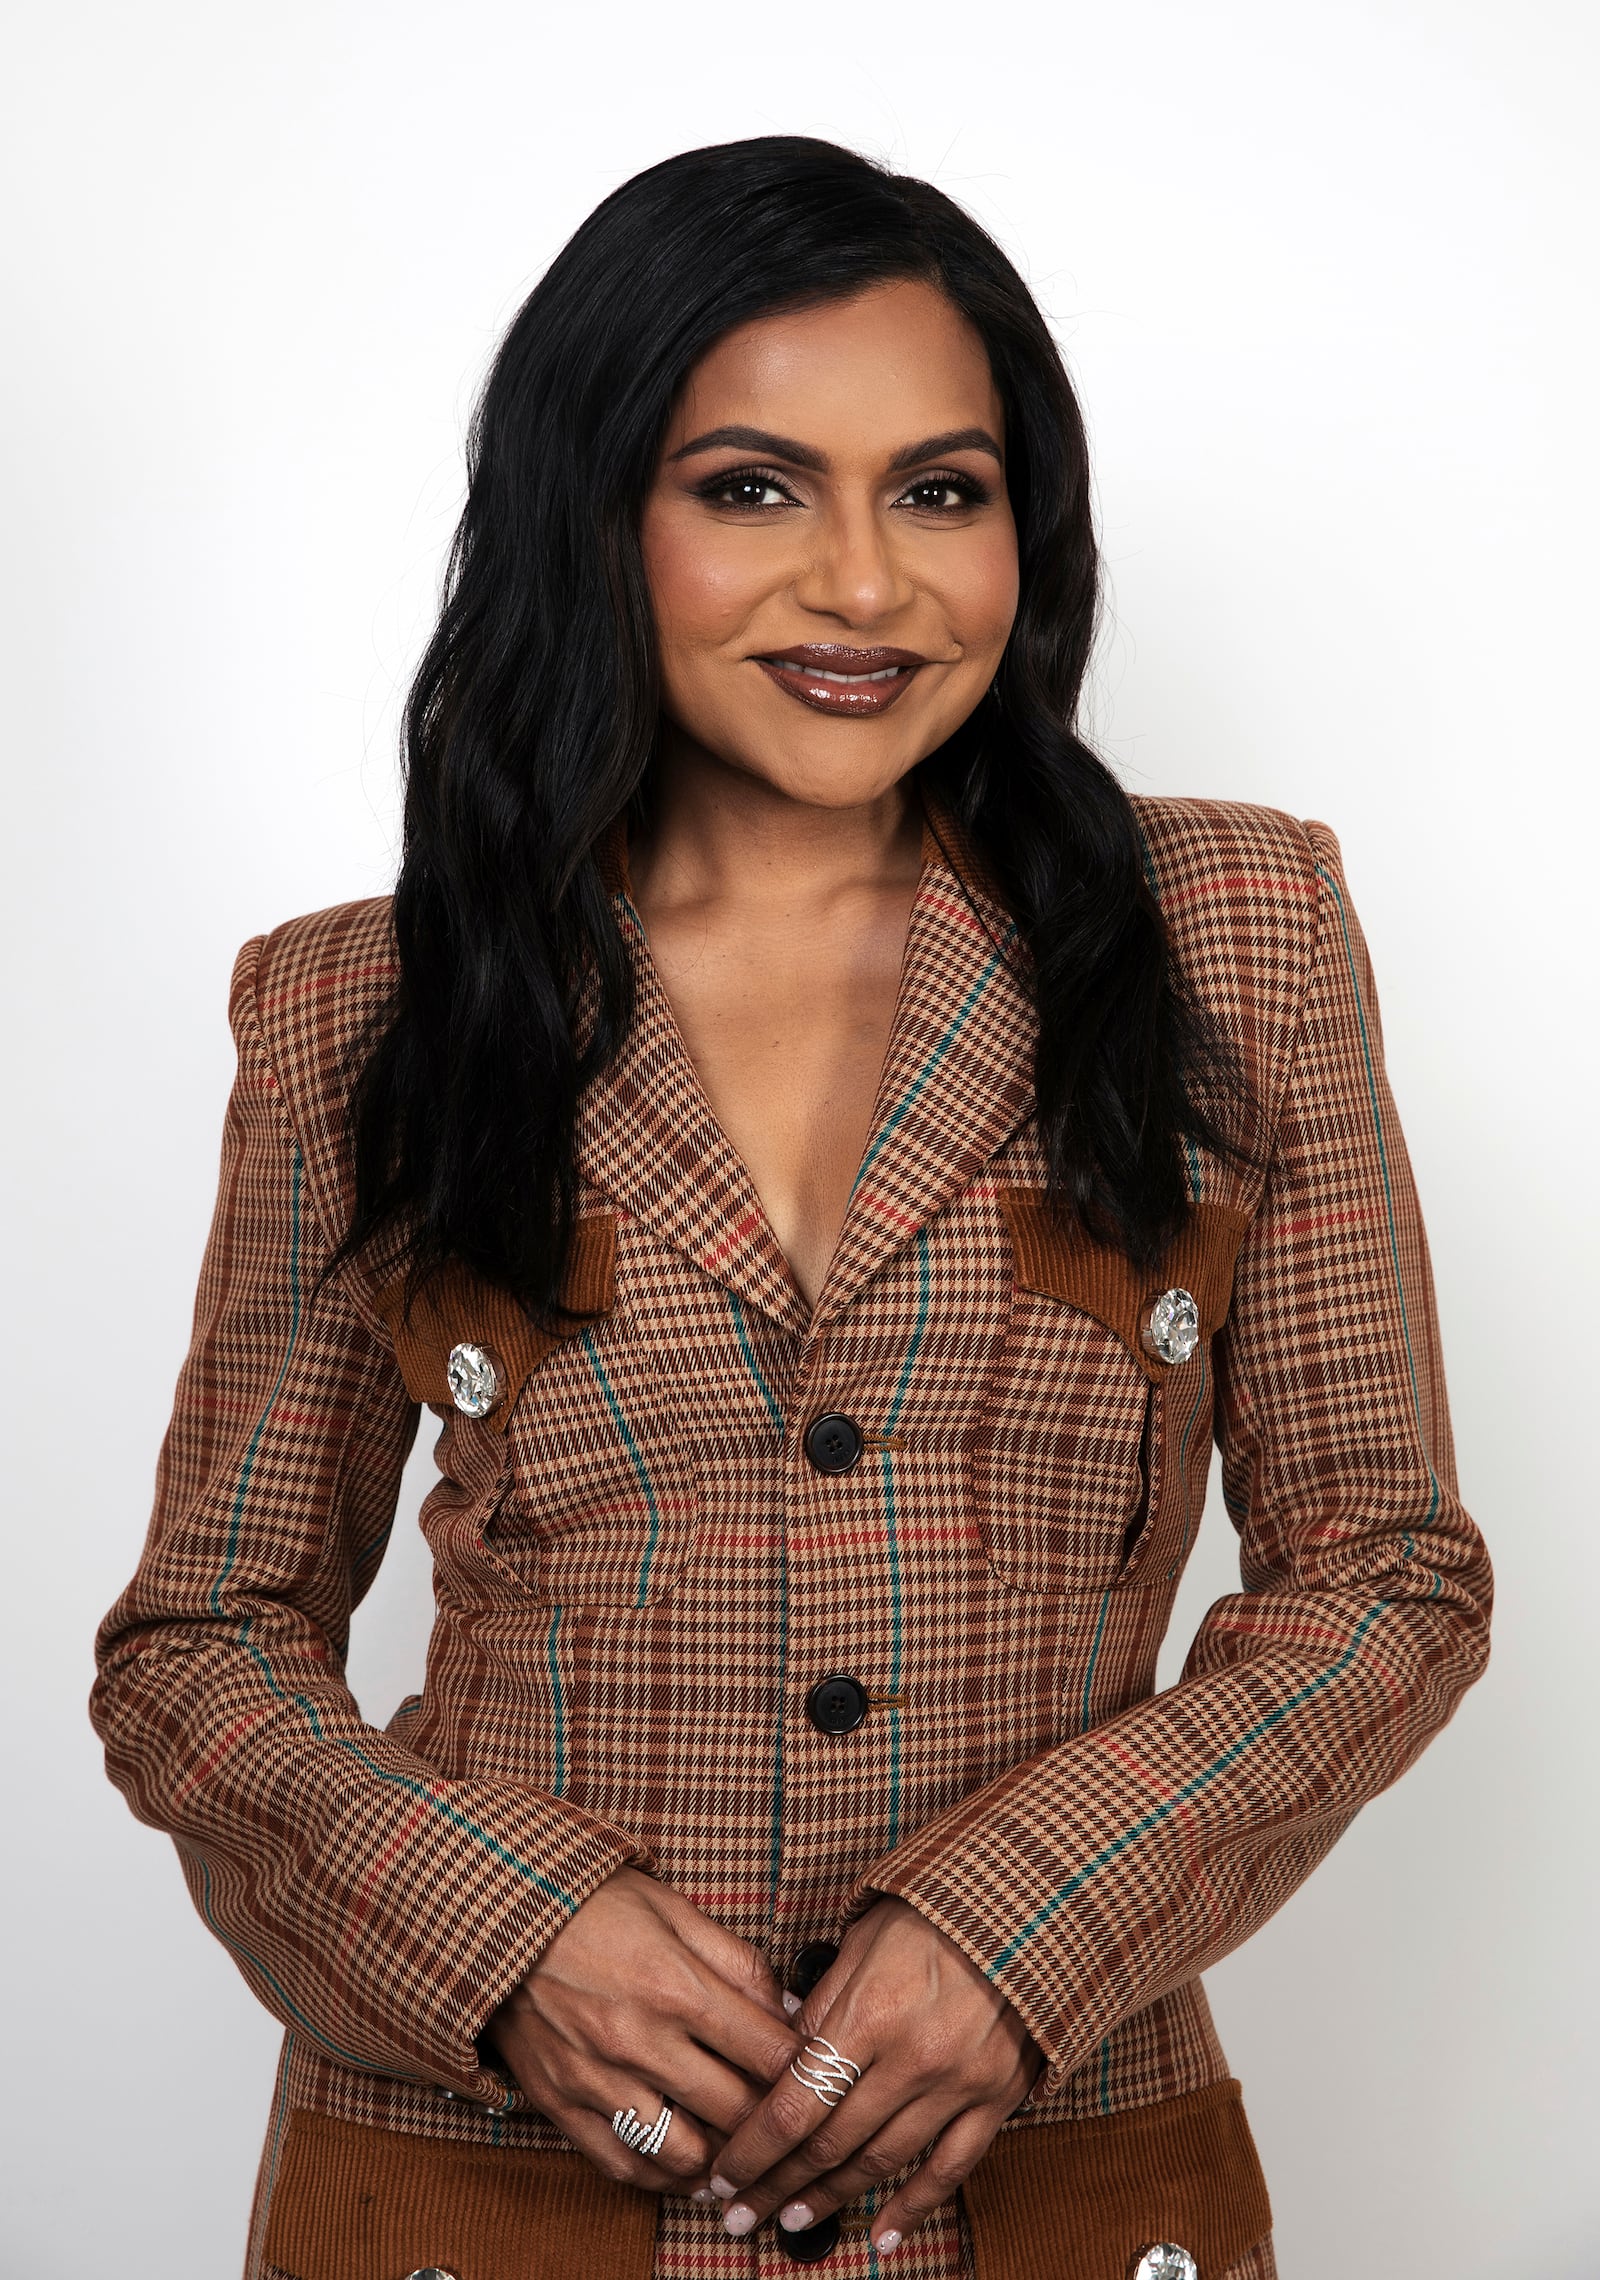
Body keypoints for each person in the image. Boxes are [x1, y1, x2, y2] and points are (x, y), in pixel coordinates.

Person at [92, 136, 1491, 2280]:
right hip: (477, 2193)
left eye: (940, 489)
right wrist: (503, 1935)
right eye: (749, 488)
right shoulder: (362, 1009)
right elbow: (199, 1646)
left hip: (1058, 2186)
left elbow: (1385, 1571)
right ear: (594, 518)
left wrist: (1024, 1923)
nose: (863, 584)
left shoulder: (1234, 935)